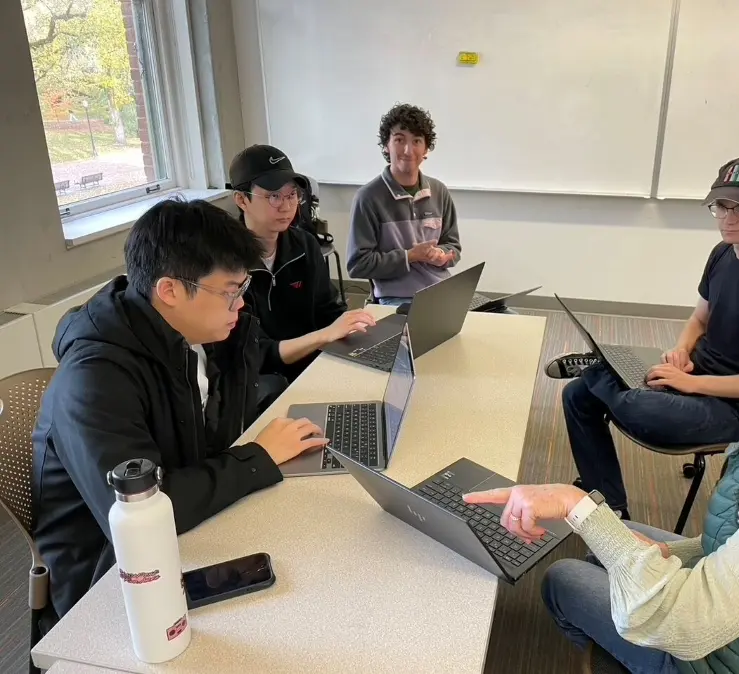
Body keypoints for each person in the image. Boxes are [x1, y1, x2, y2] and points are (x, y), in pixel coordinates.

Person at [466, 253, 739, 673]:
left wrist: (576, 504)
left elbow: (681, 624)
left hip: (727, 659)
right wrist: (672, 551)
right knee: (613, 543)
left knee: (561, 577)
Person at [32, 199, 330, 627]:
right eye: (230, 292)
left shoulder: (204, 332)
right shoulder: (94, 377)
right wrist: (258, 459)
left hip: (194, 529)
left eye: (244, 289)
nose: (241, 306)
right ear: (169, 290)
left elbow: (220, 438)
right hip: (113, 579)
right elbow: (146, 511)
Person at [547, 155, 739, 518]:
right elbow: (700, 318)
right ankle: (610, 505)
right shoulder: (722, 253)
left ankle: (602, 367)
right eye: (720, 206)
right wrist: (682, 349)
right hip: (697, 376)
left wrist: (692, 384)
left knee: (641, 409)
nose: (728, 218)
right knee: (578, 395)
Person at [229, 144, 375, 385]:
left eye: (292, 195)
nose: (286, 206)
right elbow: (257, 354)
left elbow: (328, 310)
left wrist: (355, 329)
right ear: (242, 199)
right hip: (261, 380)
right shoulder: (226, 262)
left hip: (312, 363)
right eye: (273, 196)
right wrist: (323, 336)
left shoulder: (303, 245)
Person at [346, 103, 462, 306]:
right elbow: (358, 265)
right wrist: (409, 257)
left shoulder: (439, 191)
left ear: (426, 148)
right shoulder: (368, 198)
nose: (408, 150)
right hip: (397, 298)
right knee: (421, 338)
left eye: (416, 141)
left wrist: (442, 255)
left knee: (503, 320)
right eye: (399, 140)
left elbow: (454, 247)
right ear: (386, 145)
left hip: (443, 292)